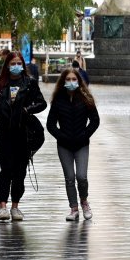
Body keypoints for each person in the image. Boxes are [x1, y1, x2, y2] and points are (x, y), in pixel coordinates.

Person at [0, 52, 47, 221]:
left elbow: (42, 103)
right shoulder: (0, 83)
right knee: (6, 169)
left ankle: (15, 206)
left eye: (18, 63)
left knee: (20, 170)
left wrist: (27, 110)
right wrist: (0, 110)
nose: (16, 66)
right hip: (6, 131)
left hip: (24, 131)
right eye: (12, 63)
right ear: (7, 65)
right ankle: (2, 206)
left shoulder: (29, 83)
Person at [46, 69, 100, 221]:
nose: (71, 82)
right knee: (69, 177)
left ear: (78, 81)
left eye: (73, 79)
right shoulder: (58, 100)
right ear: (63, 82)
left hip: (82, 143)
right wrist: (62, 136)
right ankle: (73, 208)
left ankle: (84, 201)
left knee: (81, 177)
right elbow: (50, 125)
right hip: (64, 145)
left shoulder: (86, 98)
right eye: (68, 79)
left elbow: (95, 120)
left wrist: (85, 134)